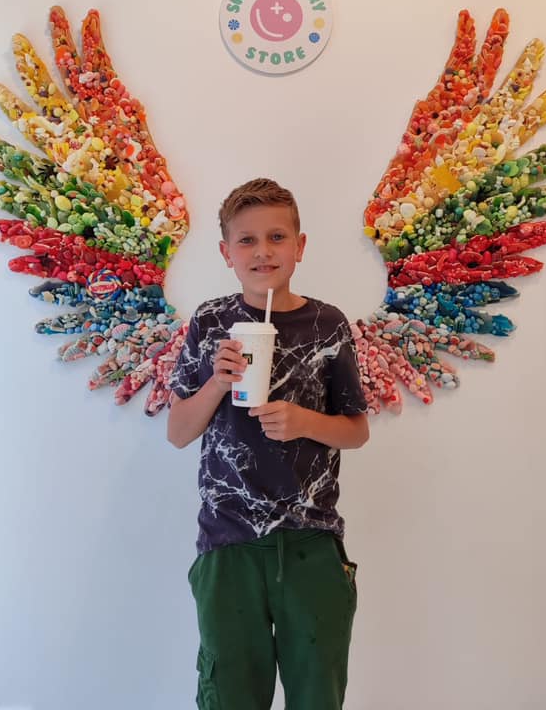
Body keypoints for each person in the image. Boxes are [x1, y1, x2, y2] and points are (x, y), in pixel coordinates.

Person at [167, 177, 369, 710]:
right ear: (226, 253)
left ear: (299, 247)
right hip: (228, 545)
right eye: (247, 240)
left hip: (311, 543)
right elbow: (179, 432)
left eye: (277, 237)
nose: (263, 252)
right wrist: (217, 381)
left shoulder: (327, 324)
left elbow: (356, 430)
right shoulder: (211, 321)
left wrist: (305, 422)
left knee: (317, 694)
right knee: (230, 695)